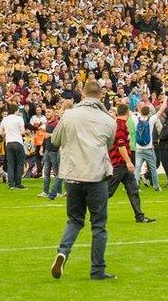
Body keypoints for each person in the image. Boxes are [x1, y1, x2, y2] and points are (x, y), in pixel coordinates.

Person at [50, 83, 117, 281]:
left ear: (83, 94)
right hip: (96, 176)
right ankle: (97, 270)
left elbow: (55, 140)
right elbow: (109, 144)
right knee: (98, 225)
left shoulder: (69, 115)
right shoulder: (108, 120)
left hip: (73, 174)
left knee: (74, 220)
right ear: (101, 96)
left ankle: (63, 251)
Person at [108, 104, 156, 223]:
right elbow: (121, 145)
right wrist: (128, 162)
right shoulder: (120, 125)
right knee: (108, 191)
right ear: (128, 113)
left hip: (122, 164)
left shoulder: (116, 123)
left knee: (133, 189)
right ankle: (93, 212)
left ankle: (139, 216)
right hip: (119, 164)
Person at [133, 98, 167, 191]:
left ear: (140, 111)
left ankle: (136, 186)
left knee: (137, 168)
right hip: (148, 148)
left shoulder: (136, 119)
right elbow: (162, 109)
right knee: (153, 168)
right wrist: (165, 100)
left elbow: (127, 111)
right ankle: (156, 186)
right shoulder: (151, 119)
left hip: (138, 148)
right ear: (149, 112)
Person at [0, 104, 27, 190]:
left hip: (9, 143)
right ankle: (18, 183)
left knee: (10, 164)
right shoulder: (19, 118)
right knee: (19, 163)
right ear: (16, 110)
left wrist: (8, 133)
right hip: (18, 142)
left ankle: (11, 184)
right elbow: (22, 132)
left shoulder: (5, 119)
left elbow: (0, 133)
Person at [39, 107, 62, 199]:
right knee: (46, 171)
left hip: (55, 150)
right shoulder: (48, 123)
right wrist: (42, 147)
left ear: (54, 112)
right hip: (48, 150)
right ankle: (45, 191)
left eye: (49, 112)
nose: (47, 113)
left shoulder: (57, 123)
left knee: (57, 172)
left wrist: (50, 135)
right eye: (46, 112)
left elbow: (60, 135)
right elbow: (45, 137)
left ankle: (58, 192)